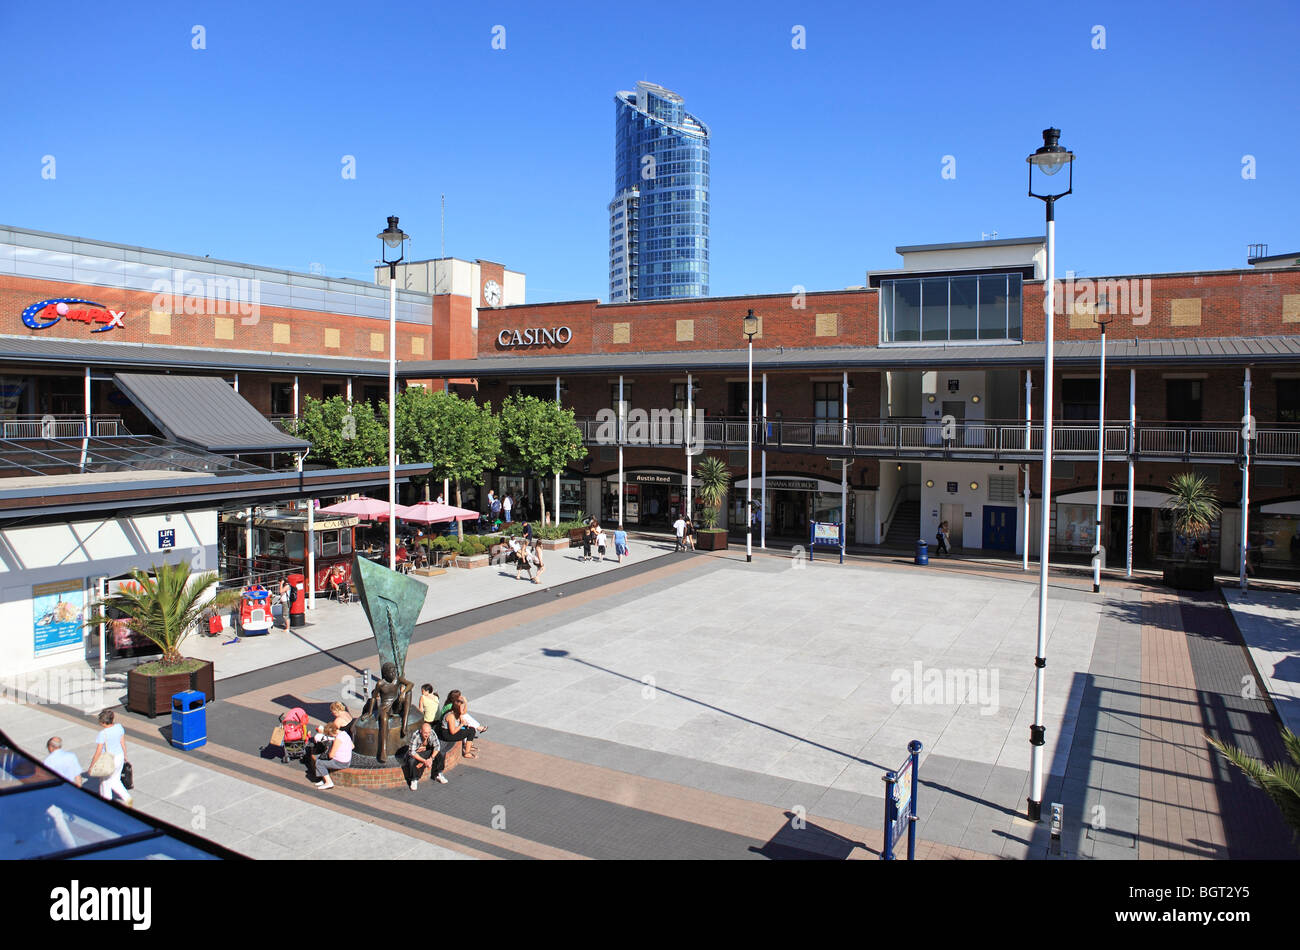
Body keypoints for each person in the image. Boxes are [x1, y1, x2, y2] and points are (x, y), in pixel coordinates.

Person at [88, 710, 131, 806]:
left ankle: (106, 805)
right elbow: (122, 742)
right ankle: (127, 798)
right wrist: (125, 755)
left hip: (109, 760)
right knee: (115, 780)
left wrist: (92, 766)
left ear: (103, 722)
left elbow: (98, 752)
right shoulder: (119, 727)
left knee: (106, 783)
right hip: (119, 756)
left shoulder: (103, 734)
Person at [404, 721, 446, 789]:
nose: (427, 735)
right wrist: (424, 761)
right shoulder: (416, 735)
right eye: (425, 733)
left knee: (441, 753)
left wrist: (431, 758)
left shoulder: (432, 733)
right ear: (421, 731)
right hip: (417, 753)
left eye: (428, 732)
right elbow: (412, 752)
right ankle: (414, 779)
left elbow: (437, 746)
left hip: (427, 751)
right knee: (411, 761)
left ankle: (438, 773)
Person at [440, 690, 479, 760]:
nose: (462, 709)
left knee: (471, 729)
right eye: (461, 707)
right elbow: (452, 732)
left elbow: (462, 715)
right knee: (471, 731)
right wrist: (461, 725)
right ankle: (467, 753)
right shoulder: (451, 716)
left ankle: (468, 746)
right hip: (447, 735)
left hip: (450, 731)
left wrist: (464, 724)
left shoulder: (455, 712)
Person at [312, 722, 353, 789]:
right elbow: (352, 746)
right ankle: (324, 779)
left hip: (341, 762)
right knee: (323, 761)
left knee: (319, 763)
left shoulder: (338, 739)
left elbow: (331, 755)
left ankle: (328, 782)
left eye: (330, 735)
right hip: (347, 760)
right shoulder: (345, 734)